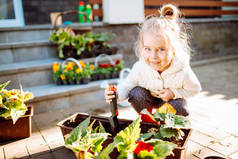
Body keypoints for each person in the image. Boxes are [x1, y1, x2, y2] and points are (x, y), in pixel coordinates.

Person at [104, 4, 201, 116]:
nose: (153, 56)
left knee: (179, 106)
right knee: (136, 93)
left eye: (161, 49)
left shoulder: (181, 70)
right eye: (148, 49)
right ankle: (148, 120)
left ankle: (170, 126)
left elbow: (195, 89)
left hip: (170, 102)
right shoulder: (141, 68)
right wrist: (115, 95)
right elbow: (127, 85)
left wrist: (174, 93)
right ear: (142, 47)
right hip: (149, 100)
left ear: (173, 50)